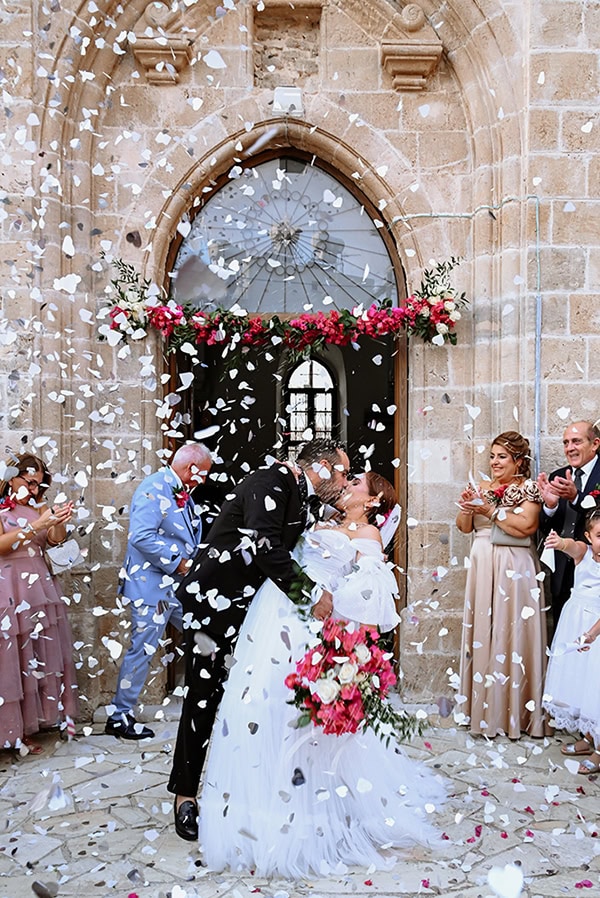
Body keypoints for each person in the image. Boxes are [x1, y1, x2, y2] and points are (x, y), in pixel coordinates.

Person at [198, 471, 445, 877]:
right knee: (262, 703)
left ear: (371, 502)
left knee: (302, 719)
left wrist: (343, 638)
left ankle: (312, 808)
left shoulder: (367, 535)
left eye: (356, 483)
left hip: (313, 623)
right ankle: (260, 801)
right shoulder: (320, 518)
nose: (346, 484)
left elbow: (370, 596)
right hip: (273, 615)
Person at [168, 438, 351, 840]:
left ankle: (243, 787)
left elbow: (297, 523)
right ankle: (185, 795)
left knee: (247, 699)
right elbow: (267, 547)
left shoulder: (298, 491)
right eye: (341, 472)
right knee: (203, 694)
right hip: (211, 610)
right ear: (320, 466)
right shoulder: (271, 480)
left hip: (248, 613)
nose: (344, 480)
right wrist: (311, 594)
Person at [105, 443, 212, 740]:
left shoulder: (180, 492)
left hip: (174, 589)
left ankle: (208, 698)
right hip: (151, 586)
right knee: (143, 648)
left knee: (203, 633)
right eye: (202, 474)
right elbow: (141, 537)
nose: (202, 480)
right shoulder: (154, 488)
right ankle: (119, 716)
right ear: (190, 467)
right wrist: (180, 564)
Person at [455, 431, 547, 739]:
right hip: (482, 561)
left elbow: (527, 527)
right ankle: (481, 711)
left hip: (513, 565)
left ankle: (514, 714)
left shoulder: (528, 489)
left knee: (512, 633)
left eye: (502, 457)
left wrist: (491, 511)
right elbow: (463, 527)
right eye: (492, 456)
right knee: (485, 631)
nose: (495, 462)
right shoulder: (482, 487)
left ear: (518, 461)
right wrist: (468, 508)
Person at [0, 453, 78, 753]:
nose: (34, 489)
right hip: (8, 586)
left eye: (38, 483)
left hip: (38, 587)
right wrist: (37, 525)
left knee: (33, 652)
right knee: (10, 657)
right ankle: (11, 731)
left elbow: (55, 541)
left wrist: (56, 520)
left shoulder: (37, 506)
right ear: (11, 477)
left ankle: (29, 725)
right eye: (29, 482)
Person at [542, 510, 600, 774]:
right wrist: (559, 542)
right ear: (589, 536)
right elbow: (571, 546)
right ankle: (589, 738)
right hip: (575, 620)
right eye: (599, 536)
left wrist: (592, 633)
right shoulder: (584, 553)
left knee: (596, 686)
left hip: (595, 628)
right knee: (581, 682)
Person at [537, 421, 600, 629]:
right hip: (562, 568)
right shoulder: (558, 476)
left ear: (595, 444)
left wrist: (576, 498)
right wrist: (550, 507)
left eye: (576, 441)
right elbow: (545, 528)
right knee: (562, 629)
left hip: (593, 569)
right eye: (565, 443)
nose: (569, 448)